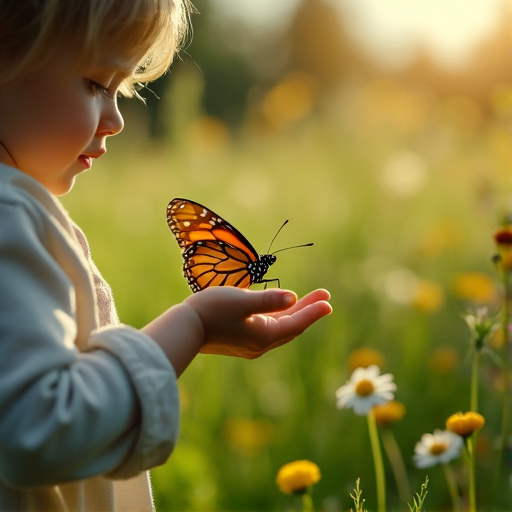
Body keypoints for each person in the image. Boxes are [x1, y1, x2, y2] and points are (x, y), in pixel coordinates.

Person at [0, 0, 332, 511]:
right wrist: (191, 326)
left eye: (122, 89)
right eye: (95, 83)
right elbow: (39, 427)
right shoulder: (10, 214)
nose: (116, 121)